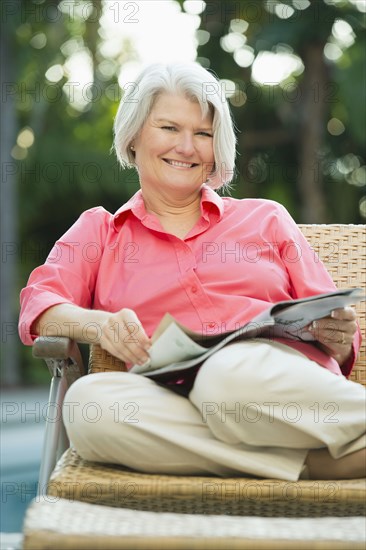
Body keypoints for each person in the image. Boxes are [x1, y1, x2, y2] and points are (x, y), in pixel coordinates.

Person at [19, 63, 365, 481]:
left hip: (270, 382)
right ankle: (312, 464)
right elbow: (39, 306)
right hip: (169, 394)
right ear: (133, 136)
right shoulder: (101, 231)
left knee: (224, 375)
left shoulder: (267, 219)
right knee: (89, 406)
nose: (187, 147)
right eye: (169, 128)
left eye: (202, 134)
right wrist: (98, 325)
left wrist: (340, 337)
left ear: (217, 149)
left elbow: (337, 330)